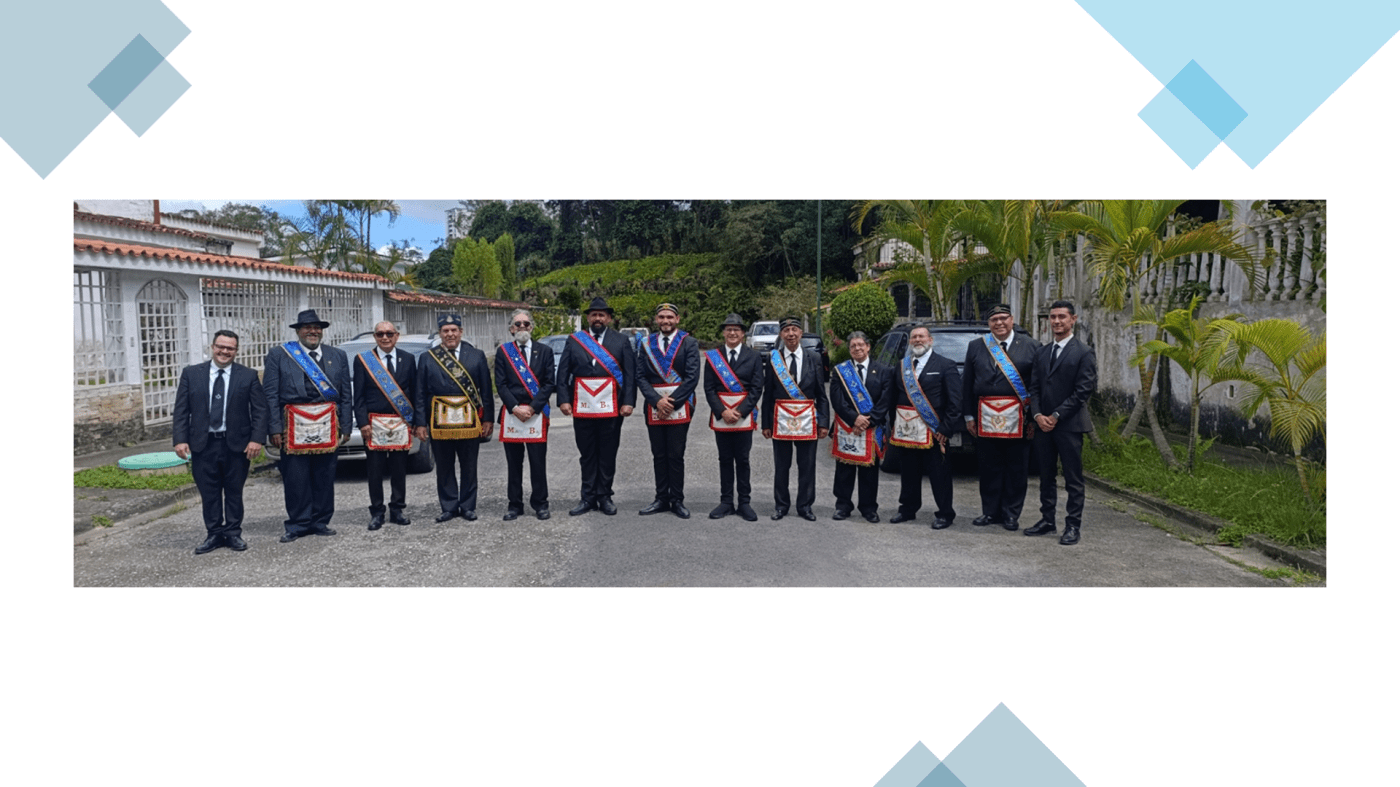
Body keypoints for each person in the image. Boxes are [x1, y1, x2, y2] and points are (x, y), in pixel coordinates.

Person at [173, 330, 269, 554]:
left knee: (234, 491)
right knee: (209, 493)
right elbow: (181, 410)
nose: (224, 351)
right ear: (212, 347)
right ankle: (214, 533)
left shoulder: (248, 375)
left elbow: (260, 410)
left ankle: (233, 533)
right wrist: (180, 439)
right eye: (221, 347)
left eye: (230, 348)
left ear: (236, 351)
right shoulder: (191, 374)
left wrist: (257, 439)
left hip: (236, 444)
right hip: (203, 444)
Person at [263, 309, 353, 543]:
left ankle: (320, 521)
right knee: (296, 476)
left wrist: (345, 426)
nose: (313, 331)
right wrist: (274, 428)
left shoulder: (338, 355)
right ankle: (298, 524)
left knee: (324, 475)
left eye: (317, 328)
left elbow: (345, 394)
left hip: (327, 424)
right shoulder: (279, 355)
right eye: (307, 328)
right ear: (298, 331)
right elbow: (270, 394)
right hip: (292, 426)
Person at [961, 304, 1040, 532]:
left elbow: (1037, 385)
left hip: (1019, 418)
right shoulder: (976, 346)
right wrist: (969, 416)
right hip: (985, 416)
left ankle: (1011, 514)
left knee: (1017, 468)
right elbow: (967, 384)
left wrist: (1033, 417)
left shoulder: (1031, 346)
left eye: (1003, 318)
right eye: (994, 319)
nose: (999, 323)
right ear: (989, 323)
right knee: (989, 467)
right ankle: (990, 512)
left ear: (1012, 320)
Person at [555, 297, 637, 516]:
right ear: (588, 318)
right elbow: (563, 372)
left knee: (608, 453)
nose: (597, 318)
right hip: (583, 407)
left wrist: (629, 402)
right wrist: (563, 399)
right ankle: (588, 497)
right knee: (587, 453)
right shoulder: (575, 340)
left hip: (612, 408)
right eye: (594, 315)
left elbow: (630, 374)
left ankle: (605, 496)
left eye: (602, 315)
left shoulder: (621, 340)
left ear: (608, 318)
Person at [1026, 300, 1098, 546]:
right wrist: (1037, 415)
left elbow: (1083, 391)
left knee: (1073, 478)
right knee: (1046, 476)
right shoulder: (1042, 352)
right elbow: (1034, 388)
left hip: (1069, 425)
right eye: (1053, 317)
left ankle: (1072, 526)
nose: (1056, 321)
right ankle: (1047, 520)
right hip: (1042, 426)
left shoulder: (1084, 352)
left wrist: (1056, 415)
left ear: (1073, 320)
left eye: (1062, 317)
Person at [415, 313, 495, 522]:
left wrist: (488, 418)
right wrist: (420, 422)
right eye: (445, 331)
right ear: (440, 334)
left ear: (461, 332)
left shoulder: (476, 355)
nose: (450, 334)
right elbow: (420, 393)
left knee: (469, 464)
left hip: (469, 419)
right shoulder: (428, 357)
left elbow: (486, 390)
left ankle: (468, 506)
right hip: (439, 420)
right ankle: (449, 507)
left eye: (453, 330)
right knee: (444, 465)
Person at [889, 325, 962, 528]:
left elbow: (955, 401)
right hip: (906, 430)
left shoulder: (946, 365)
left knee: (939, 474)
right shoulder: (902, 366)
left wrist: (946, 429)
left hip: (934, 431)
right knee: (908, 472)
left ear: (930, 340)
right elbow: (893, 398)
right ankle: (907, 509)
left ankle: (945, 514)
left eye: (921, 336)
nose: (917, 340)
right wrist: (893, 424)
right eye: (914, 337)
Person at [636, 302, 701, 519]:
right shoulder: (646, 344)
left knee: (676, 454)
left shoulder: (689, 342)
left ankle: (677, 500)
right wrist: (656, 401)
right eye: (662, 317)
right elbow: (640, 376)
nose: (666, 321)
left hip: (680, 405)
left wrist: (671, 402)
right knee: (659, 454)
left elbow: (692, 377)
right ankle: (661, 498)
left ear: (677, 319)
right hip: (654, 405)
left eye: (670, 317)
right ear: (656, 320)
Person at [761, 316, 830, 521]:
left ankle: (805, 506)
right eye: (786, 330)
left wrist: (823, 422)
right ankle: (781, 505)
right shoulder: (774, 359)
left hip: (807, 420)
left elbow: (821, 393)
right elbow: (768, 393)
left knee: (807, 466)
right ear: (781, 334)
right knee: (782, 466)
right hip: (781, 420)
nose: (791, 334)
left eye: (794, 330)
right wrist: (766, 423)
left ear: (801, 333)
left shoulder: (814, 358)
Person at [353, 320, 416, 531]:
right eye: (380, 334)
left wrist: (416, 421)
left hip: (400, 423)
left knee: (399, 470)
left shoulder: (408, 359)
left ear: (397, 336)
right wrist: (362, 422)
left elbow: (414, 391)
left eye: (389, 333)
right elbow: (358, 396)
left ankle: (397, 509)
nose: (385, 337)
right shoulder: (363, 360)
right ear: (375, 337)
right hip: (374, 425)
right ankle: (377, 512)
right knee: (375, 471)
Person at [494, 309, 554, 521]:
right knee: (514, 463)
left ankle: (541, 503)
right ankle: (514, 505)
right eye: (517, 324)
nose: (522, 327)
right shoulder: (504, 352)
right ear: (511, 329)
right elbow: (500, 384)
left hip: (536, 414)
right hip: (513, 414)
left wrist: (533, 407)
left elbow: (549, 383)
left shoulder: (545, 351)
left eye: (526, 324)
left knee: (538, 463)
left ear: (532, 327)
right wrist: (514, 407)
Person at [702, 313, 764, 522]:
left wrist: (741, 411)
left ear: (743, 333)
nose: (732, 333)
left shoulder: (754, 356)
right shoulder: (713, 357)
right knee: (725, 459)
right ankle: (726, 502)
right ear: (723, 333)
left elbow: (757, 387)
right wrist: (722, 411)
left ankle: (744, 502)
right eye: (728, 329)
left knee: (743, 460)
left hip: (743, 416)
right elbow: (709, 388)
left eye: (736, 329)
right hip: (722, 416)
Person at [829, 331, 893, 523]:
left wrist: (868, 421)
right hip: (847, 427)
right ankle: (842, 506)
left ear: (868, 346)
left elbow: (885, 400)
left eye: (860, 345)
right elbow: (837, 399)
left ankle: (869, 508)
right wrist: (854, 419)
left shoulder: (883, 370)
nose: (857, 348)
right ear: (849, 349)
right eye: (853, 346)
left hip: (872, 428)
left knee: (869, 472)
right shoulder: (840, 371)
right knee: (844, 469)